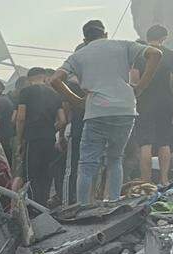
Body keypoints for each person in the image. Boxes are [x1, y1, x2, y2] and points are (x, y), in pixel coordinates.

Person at [51, 20, 161, 204]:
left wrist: (77, 101)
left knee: (87, 164)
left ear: (85, 39)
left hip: (97, 111)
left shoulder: (78, 55)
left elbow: (55, 79)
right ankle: (114, 201)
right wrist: (140, 87)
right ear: (105, 34)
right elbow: (156, 54)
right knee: (115, 159)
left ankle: (83, 206)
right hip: (125, 109)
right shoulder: (123, 45)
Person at [131, 25, 173, 185]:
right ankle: (164, 180)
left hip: (143, 103)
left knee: (145, 144)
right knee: (164, 141)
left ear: (147, 37)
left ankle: (146, 182)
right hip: (165, 103)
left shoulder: (139, 54)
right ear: (164, 38)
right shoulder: (172, 55)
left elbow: (134, 80)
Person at [16, 68, 67, 206]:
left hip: (32, 138)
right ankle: (44, 204)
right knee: (46, 174)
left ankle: (34, 208)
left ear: (29, 79)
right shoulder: (55, 94)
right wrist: (51, 129)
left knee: (31, 175)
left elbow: (20, 118)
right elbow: (63, 120)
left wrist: (19, 140)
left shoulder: (25, 92)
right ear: (44, 77)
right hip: (49, 139)